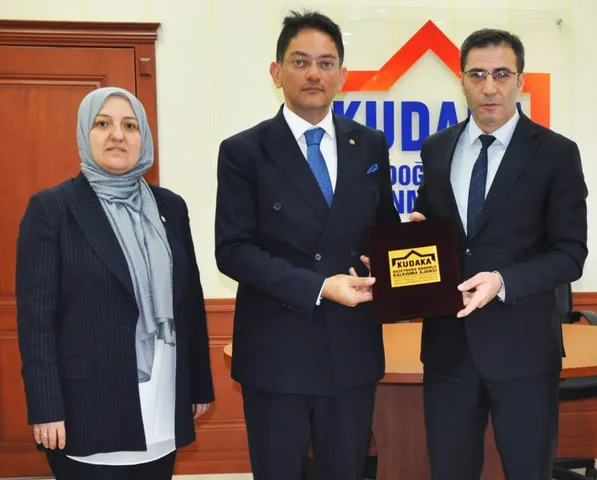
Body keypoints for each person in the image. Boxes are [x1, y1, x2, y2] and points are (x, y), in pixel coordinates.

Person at [214, 10, 400, 480]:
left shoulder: (370, 144)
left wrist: (407, 240)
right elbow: (233, 250)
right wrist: (318, 287)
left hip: (351, 350)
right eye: (300, 62)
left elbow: (381, 230)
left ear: (343, 75)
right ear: (276, 73)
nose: (314, 73)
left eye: (326, 62)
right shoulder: (244, 151)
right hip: (276, 353)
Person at [408, 28, 588, 479]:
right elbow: (434, 235)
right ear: (462, 81)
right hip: (448, 350)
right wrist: (407, 248)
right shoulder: (436, 149)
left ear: (520, 81)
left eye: (502, 74)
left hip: (524, 351)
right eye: (477, 74)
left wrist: (503, 282)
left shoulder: (556, 154)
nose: (489, 87)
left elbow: (570, 254)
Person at [15, 87, 215, 480]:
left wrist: (198, 386)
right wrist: (45, 407)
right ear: (84, 134)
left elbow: (189, 301)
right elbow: (36, 324)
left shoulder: (170, 207)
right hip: (85, 407)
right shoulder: (52, 208)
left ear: (144, 137)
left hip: (162, 397)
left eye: (130, 126)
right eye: (102, 124)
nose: (117, 135)